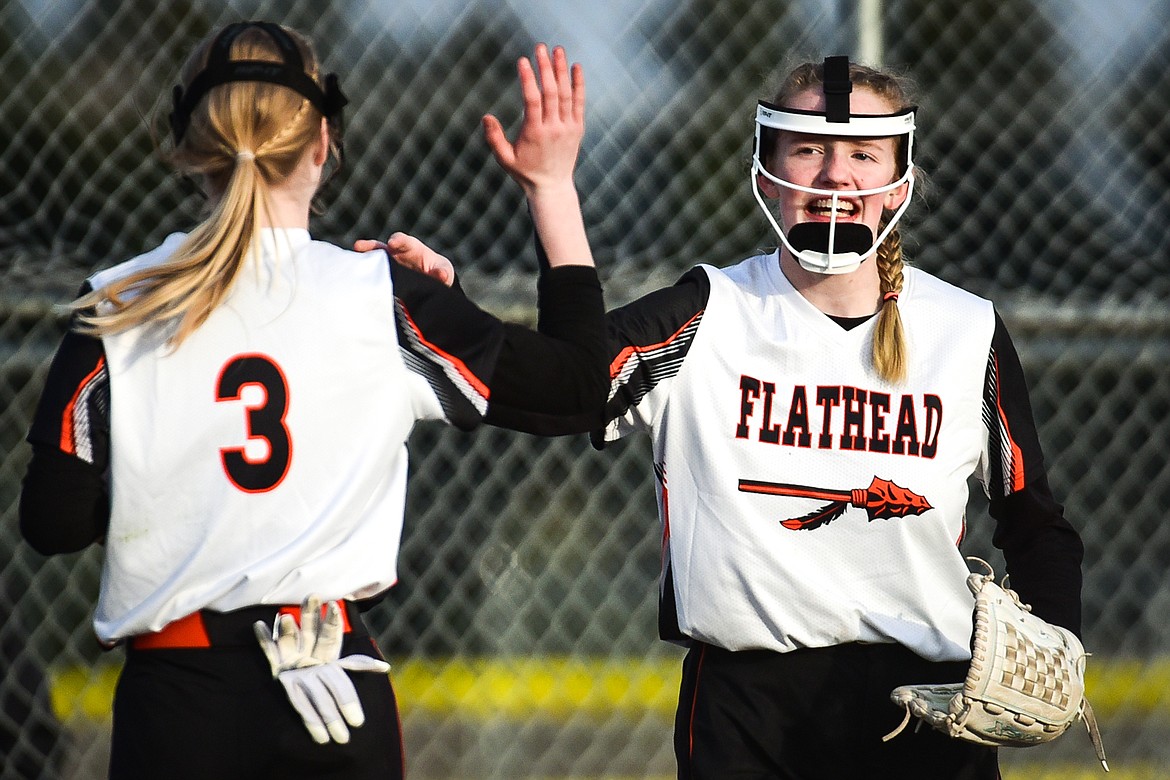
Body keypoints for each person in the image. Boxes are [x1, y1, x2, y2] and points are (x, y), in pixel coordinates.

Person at [392, 55, 1086, 779]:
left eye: (862, 154)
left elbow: (1036, 520)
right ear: (766, 175)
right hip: (748, 716)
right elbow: (558, 390)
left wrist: (1058, 643)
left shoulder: (964, 330)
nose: (836, 176)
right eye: (810, 149)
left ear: (898, 184)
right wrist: (451, 310)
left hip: (927, 713)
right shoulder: (709, 314)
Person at [18, 21, 603, 780]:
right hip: (336, 688)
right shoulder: (385, 296)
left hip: (179, 700)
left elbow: (52, 521)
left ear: (189, 149)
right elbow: (582, 388)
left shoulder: (117, 307)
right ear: (323, 143)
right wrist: (551, 187)